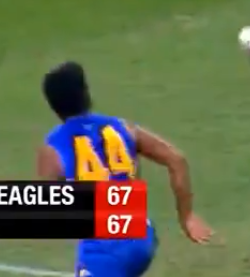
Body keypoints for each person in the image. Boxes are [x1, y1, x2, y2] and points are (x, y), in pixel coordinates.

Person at [36, 61, 212, 277]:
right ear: (86, 94)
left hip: (103, 251)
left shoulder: (53, 147)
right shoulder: (122, 127)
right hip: (142, 237)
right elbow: (176, 159)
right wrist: (187, 216)